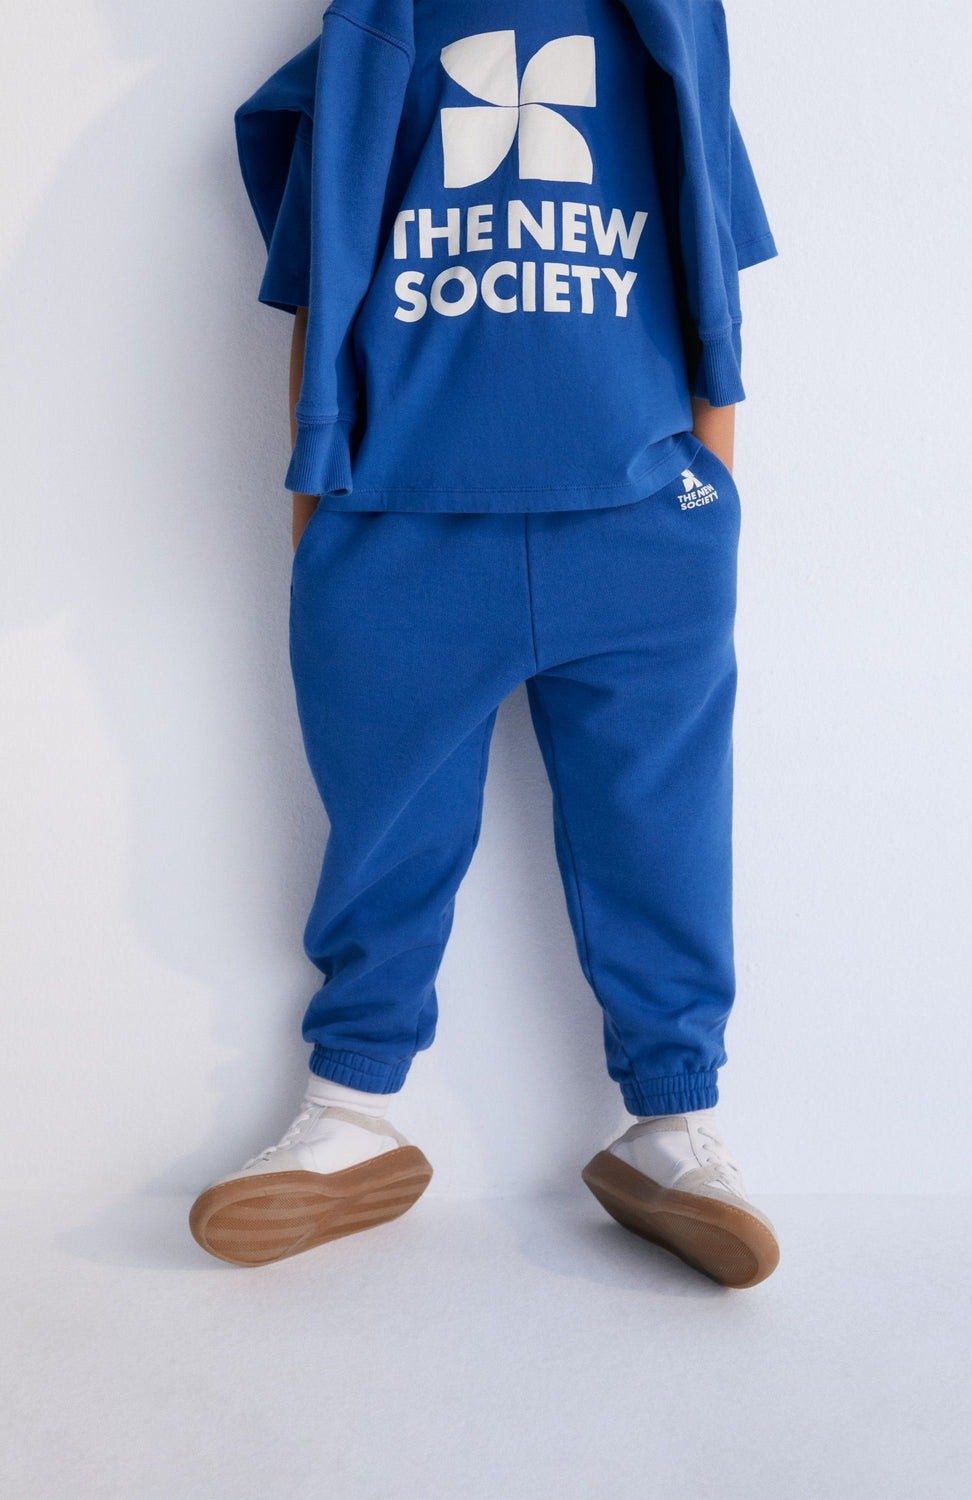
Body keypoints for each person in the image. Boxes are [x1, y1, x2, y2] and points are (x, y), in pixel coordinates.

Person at [189, 0, 780, 1287]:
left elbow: (710, 263)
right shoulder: (375, 36)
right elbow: (320, 286)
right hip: (400, 521)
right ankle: (350, 1114)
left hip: (640, 521)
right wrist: (314, 509)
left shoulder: (665, 32)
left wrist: (708, 499)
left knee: (664, 833)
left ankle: (673, 1122)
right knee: (383, 835)